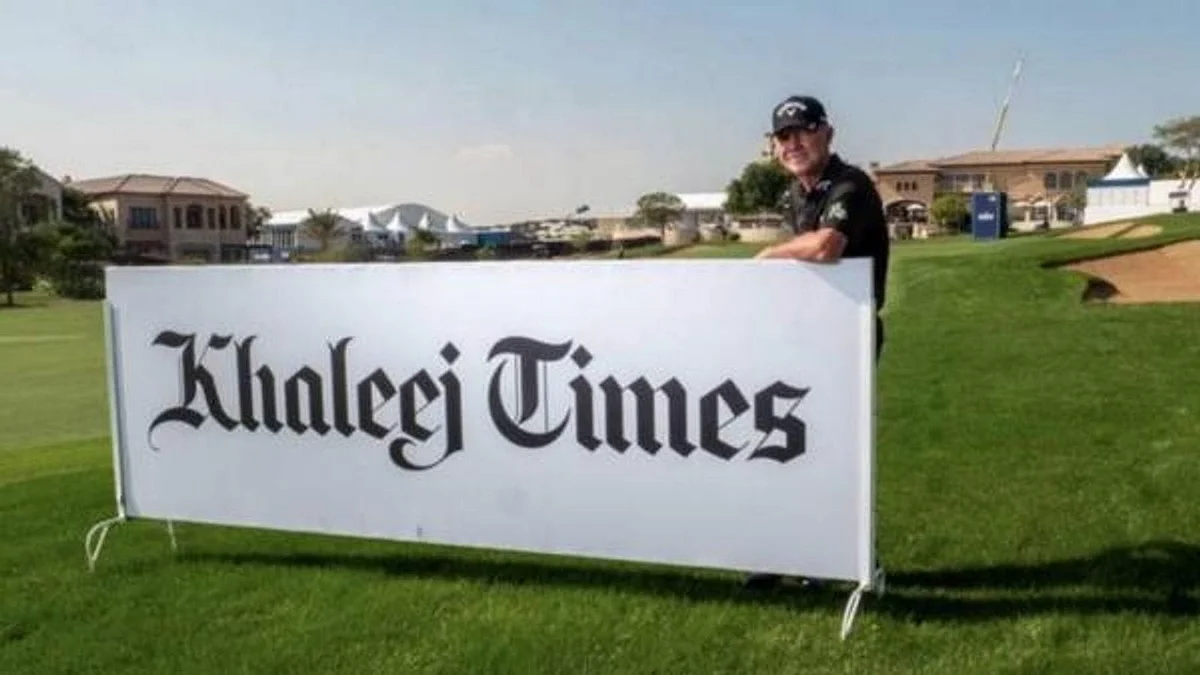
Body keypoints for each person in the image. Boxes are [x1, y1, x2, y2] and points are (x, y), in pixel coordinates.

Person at [745, 95, 891, 591]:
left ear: (827, 132)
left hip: (846, 336)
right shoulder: (796, 194)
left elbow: (827, 246)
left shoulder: (851, 184)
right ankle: (789, 548)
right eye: (783, 136)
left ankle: (842, 557)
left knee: (832, 449)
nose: (793, 143)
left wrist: (769, 253)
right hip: (804, 336)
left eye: (803, 131)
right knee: (784, 447)